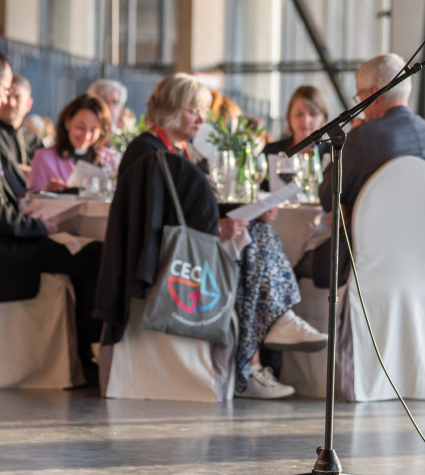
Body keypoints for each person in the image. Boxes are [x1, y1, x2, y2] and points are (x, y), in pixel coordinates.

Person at [110, 73, 328, 400]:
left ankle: (259, 353)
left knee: (259, 233)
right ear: (170, 109)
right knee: (254, 246)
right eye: (193, 110)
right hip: (166, 258)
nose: (202, 118)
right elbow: (152, 219)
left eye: (202, 111)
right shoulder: (147, 152)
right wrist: (216, 229)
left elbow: (196, 207)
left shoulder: (185, 153)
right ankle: (260, 352)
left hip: (189, 249)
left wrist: (247, 211)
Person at [0, 48, 102, 383]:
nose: (4, 99)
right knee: (96, 254)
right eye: (5, 91)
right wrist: (38, 226)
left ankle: (81, 357)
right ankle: (85, 358)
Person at [301, 54, 425, 289]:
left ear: (371, 93)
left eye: (358, 95)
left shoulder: (365, 135)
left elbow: (327, 197)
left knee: (297, 260)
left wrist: (348, 141)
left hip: (369, 263)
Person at [28, 94, 120, 193]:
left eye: (93, 130)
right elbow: (32, 203)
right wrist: (50, 193)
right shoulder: (44, 157)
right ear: (68, 122)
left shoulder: (110, 159)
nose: (86, 136)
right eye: (80, 127)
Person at [261, 85, 331, 192]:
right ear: (289, 116)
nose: (306, 120)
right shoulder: (272, 151)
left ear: (323, 118)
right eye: (299, 114)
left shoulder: (334, 153)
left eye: (313, 114)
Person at [0, 74, 39, 196]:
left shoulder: (33, 139)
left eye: (17, 98)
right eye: (7, 95)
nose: (11, 103)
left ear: (28, 104)